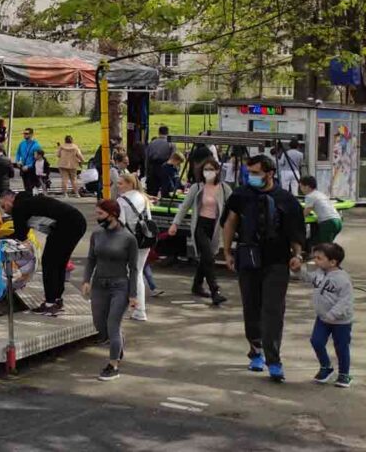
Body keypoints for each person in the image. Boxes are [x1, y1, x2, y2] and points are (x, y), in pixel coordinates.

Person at [221, 155, 306, 382]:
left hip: (277, 261)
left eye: (257, 173)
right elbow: (230, 222)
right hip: (248, 258)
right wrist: (227, 251)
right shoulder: (241, 195)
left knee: (273, 310)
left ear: (270, 173)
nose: (252, 177)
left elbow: (296, 231)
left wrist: (297, 255)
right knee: (251, 306)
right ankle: (255, 351)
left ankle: (274, 359)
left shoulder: (286, 200)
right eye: (250, 173)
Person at [2, 190, 88, 316]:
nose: (4, 210)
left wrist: (1, 238)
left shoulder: (19, 207)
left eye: (4, 206)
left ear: (10, 199)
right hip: (77, 221)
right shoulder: (29, 201)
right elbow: (23, 230)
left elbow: (20, 235)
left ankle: (50, 304)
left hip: (65, 225)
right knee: (59, 262)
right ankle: (56, 300)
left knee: (50, 263)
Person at [84, 199, 140, 381]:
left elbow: (134, 268)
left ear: (113, 214)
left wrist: (133, 294)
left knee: (113, 325)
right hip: (99, 285)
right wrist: (86, 280)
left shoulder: (128, 238)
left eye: (100, 214)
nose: (97, 217)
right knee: (100, 325)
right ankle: (118, 345)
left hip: (119, 287)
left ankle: (113, 364)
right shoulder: (97, 234)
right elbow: (91, 259)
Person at [168, 158, 231, 306]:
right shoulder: (197, 187)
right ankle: (215, 291)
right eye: (205, 169)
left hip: (215, 226)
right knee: (208, 257)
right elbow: (184, 207)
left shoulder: (224, 188)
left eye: (211, 169)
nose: (208, 172)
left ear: (217, 171)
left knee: (206, 258)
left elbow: (233, 207)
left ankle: (197, 285)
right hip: (200, 225)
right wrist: (175, 224)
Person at [292, 243, 353, 388]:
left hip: (341, 322)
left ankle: (344, 374)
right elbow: (308, 278)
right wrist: (298, 271)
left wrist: (333, 314)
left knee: (341, 347)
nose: (315, 261)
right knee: (316, 341)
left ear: (333, 262)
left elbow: (346, 301)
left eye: (319, 258)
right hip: (322, 318)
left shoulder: (342, 279)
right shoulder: (320, 273)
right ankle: (326, 367)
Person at [115, 172, 155, 321]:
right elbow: (149, 220)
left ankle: (136, 309)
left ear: (129, 184)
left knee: (131, 274)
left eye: (120, 184)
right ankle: (139, 309)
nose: (118, 186)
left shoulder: (122, 201)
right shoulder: (143, 198)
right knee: (137, 272)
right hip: (145, 240)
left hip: (129, 241)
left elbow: (121, 224)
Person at [300, 176, 342, 243]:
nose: (300, 189)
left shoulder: (309, 196)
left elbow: (306, 213)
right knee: (326, 244)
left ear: (307, 187)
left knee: (324, 246)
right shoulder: (320, 194)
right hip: (338, 221)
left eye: (301, 186)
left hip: (328, 223)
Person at [145, 126, 175, 195]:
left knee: (152, 191)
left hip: (153, 168)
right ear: (167, 132)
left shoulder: (152, 143)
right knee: (165, 191)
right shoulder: (171, 143)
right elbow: (173, 158)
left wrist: (147, 171)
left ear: (159, 132)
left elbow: (147, 158)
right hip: (165, 167)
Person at [14, 128, 43, 193]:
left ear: (31, 134)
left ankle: (32, 199)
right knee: (26, 186)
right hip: (23, 167)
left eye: (26, 133)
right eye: (24, 133)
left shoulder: (36, 145)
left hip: (32, 169)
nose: (24, 135)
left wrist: (28, 166)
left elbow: (38, 159)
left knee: (31, 187)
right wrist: (17, 160)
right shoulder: (22, 143)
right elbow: (18, 153)